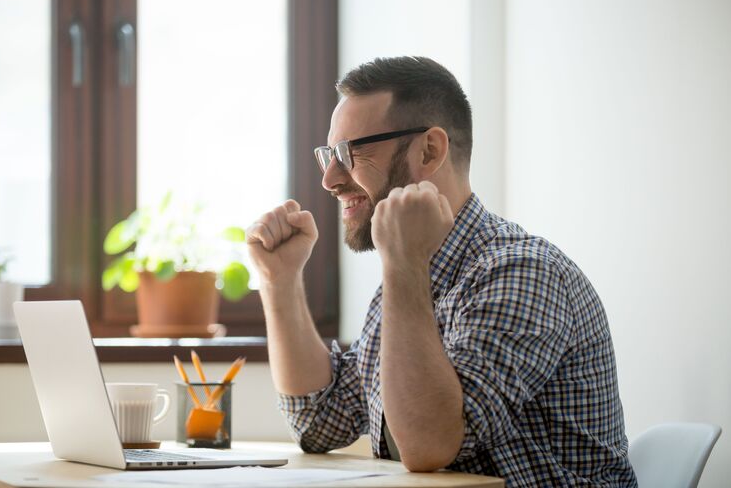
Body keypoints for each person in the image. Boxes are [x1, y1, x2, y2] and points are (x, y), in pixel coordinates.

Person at [246, 56, 637, 487]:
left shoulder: (523, 273)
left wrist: (404, 265)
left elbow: (430, 446)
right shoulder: (409, 283)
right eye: (328, 155)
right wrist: (279, 281)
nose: (331, 179)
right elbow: (320, 422)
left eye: (349, 152)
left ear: (429, 150)